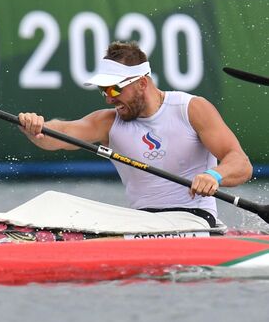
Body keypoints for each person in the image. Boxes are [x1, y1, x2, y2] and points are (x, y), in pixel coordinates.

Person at [18, 41, 252, 227]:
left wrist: (214, 176)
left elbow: (241, 163)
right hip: (141, 222)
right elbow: (57, 135)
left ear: (141, 83)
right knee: (56, 202)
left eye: (114, 88)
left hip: (194, 218)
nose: (109, 98)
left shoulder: (190, 109)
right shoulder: (108, 122)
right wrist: (35, 127)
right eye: (103, 90)